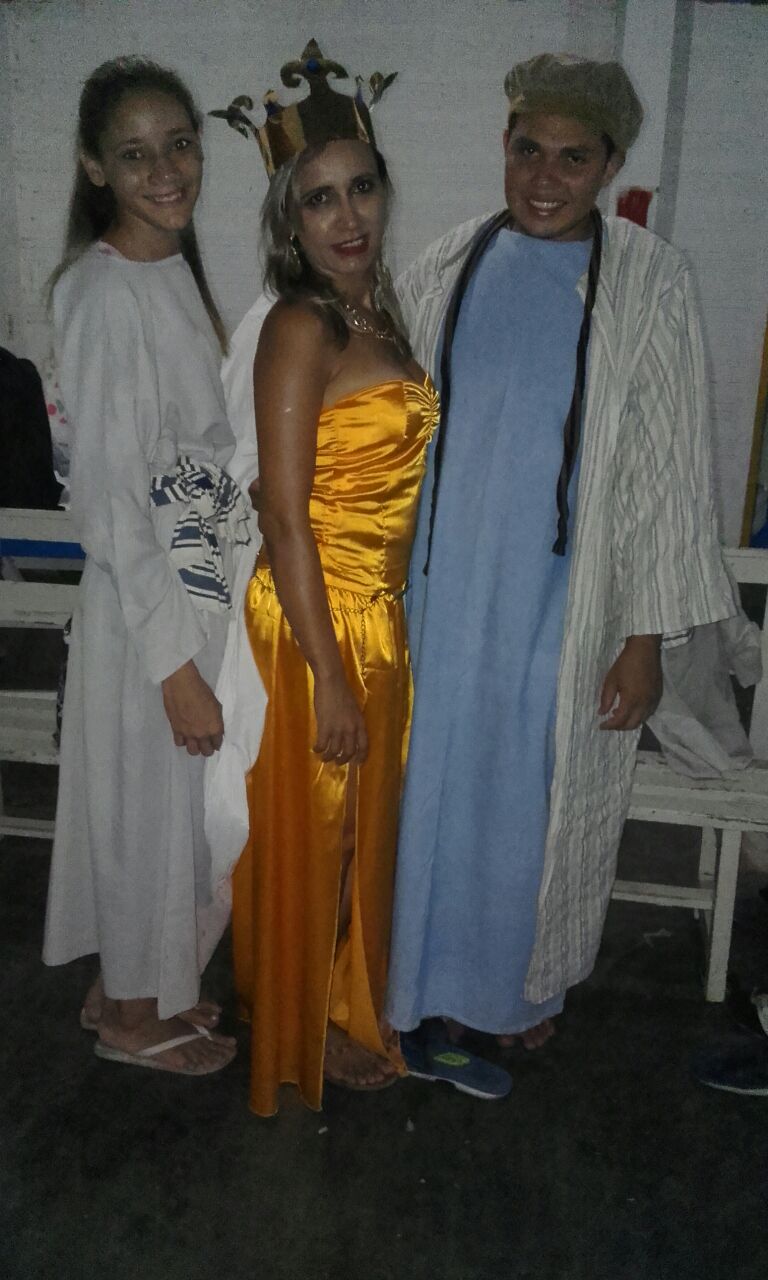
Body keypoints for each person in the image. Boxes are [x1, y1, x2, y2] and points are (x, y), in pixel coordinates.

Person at [385, 53, 737, 1069]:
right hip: (439, 596)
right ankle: (413, 986)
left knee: (526, 806)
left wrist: (644, 638)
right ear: (503, 146)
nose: (544, 178)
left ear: (611, 164)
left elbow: (670, 470)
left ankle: (510, 990)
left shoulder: (651, 281)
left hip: (563, 608)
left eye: (573, 158)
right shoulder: (448, 263)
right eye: (527, 150)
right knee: (428, 792)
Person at [210, 40, 442, 1116]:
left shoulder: (376, 313)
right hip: (317, 620)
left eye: (361, 189)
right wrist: (333, 676)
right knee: (313, 826)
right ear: (288, 222)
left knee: (354, 828)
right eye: (318, 199)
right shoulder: (301, 326)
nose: (347, 217)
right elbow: (283, 516)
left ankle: (343, 1001)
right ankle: (297, 1019)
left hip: (374, 613)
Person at [42, 57, 254, 1076]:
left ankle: (130, 989)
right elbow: (109, 496)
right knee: (143, 814)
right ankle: (133, 1021)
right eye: (134, 154)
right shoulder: (98, 289)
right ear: (95, 167)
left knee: (159, 816)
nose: (166, 169)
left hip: (187, 588)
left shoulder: (169, 270)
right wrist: (173, 663)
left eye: (179, 144)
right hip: (147, 609)